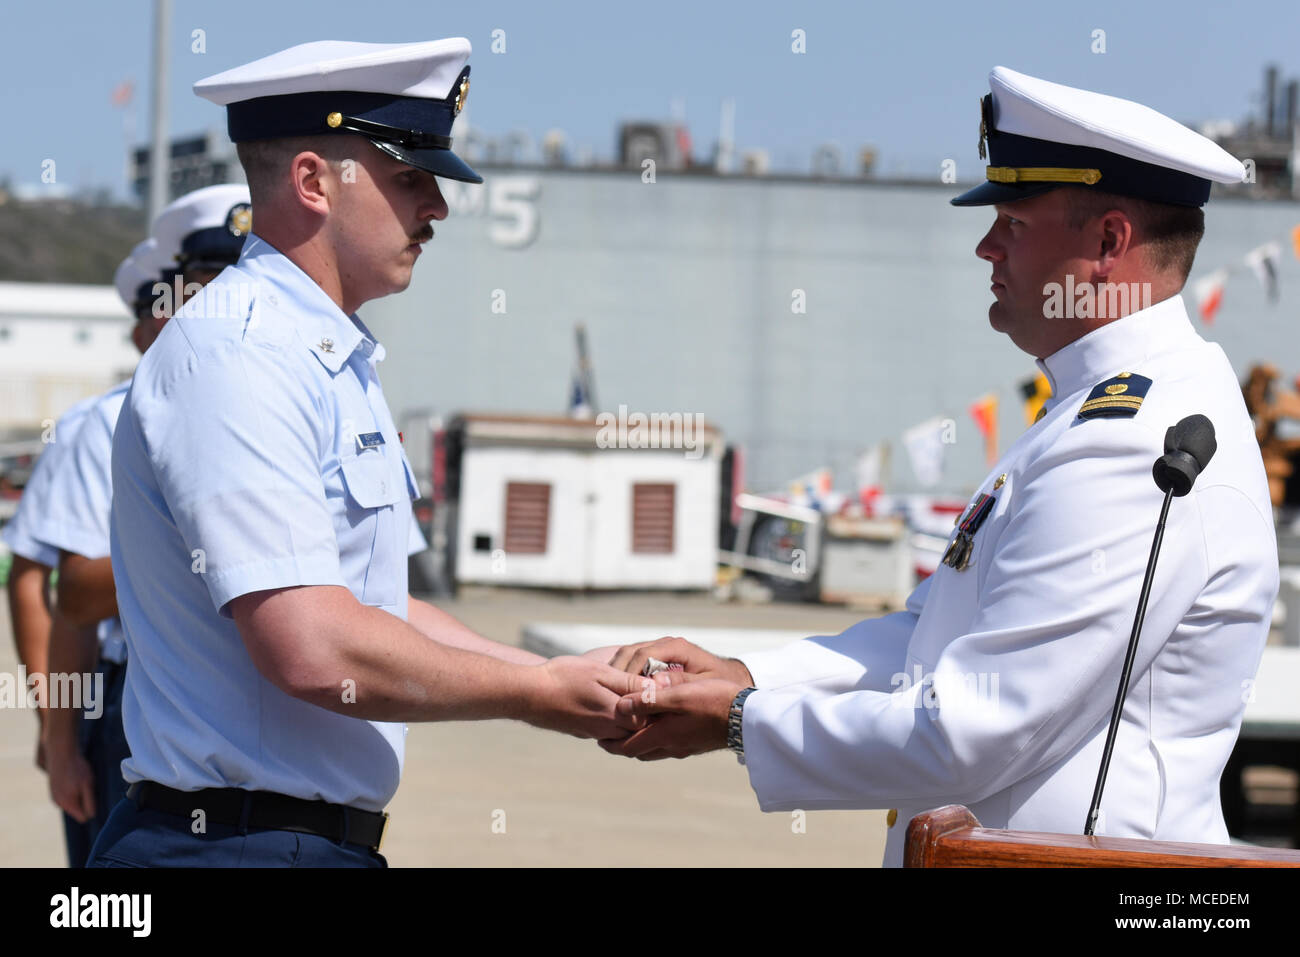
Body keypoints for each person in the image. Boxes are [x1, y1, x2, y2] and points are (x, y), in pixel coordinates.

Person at [601, 66, 1280, 868]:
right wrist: (750, 675)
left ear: (1108, 243)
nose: (984, 245)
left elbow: (978, 726)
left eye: (1014, 223)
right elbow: (930, 642)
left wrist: (743, 717)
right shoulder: (1091, 409)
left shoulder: (1135, 437)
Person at [87, 37, 635, 869]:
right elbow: (310, 645)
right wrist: (535, 693)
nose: (438, 207)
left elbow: (375, 607)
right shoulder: (239, 354)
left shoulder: (325, 354)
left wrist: (557, 673)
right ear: (313, 182)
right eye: (411, 176)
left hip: (284, 842)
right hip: (232, 847)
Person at [41, 187, 251, 865]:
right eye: (205, 287)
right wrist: (61, 738)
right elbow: (65, 596)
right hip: (143, 693)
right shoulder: (104, 424)